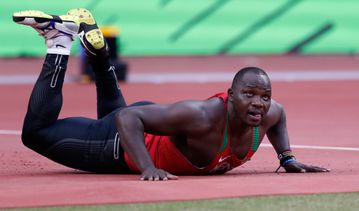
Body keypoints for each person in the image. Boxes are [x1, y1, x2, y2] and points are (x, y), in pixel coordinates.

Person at [14, 8, 329, 181]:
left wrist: (287, 158)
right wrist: (147, 167)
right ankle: (59, 41)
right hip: (118, 143)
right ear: (231, 95)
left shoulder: (268, 113)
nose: (259, 103)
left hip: (153, 125)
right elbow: (127, 117)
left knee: (115, 117)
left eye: (265, 96)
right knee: (35, 134)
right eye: (249, 95)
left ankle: (99, 56)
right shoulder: (203, 114)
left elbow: (281, 115)